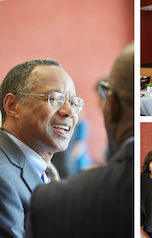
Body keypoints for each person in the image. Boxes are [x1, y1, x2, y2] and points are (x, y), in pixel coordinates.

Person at [24, 42, 133, 238]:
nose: (66, 111)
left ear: (112, 105)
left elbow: (80, 147)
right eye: (55, 99)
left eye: (73, 102)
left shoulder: (53, 202)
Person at [0, 59, 81, 237]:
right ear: (12, 106)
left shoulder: (47, 170)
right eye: (56, 98)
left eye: (74, 102)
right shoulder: (3, 177)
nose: (70, 111)